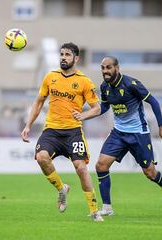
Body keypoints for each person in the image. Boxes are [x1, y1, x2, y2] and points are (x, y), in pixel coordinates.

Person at [72, 56, 162, 217]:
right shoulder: (104, 87)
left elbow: (153, 102)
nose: (105, 71)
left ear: (117, 68)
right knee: (101, 165)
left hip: (138, 133)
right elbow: (104, 108)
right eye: (103, 68)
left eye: (108, 67)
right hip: (118, 133)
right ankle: (107, 207)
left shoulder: (131, 84)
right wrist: (84, 116)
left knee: (150, 173)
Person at [21, 42, 104, 222]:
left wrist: (83, 115)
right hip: (51, 130)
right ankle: (61, 189)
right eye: (61, 54)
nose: (63, 58)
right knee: (42, 158)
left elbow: (97, 109)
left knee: (81, 168)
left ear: (76, 58)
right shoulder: (50, 77)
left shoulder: (84, 81)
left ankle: (94, 211)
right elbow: (38, 102)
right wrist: (28, 125)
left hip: (73, 131)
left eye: (67, 55)